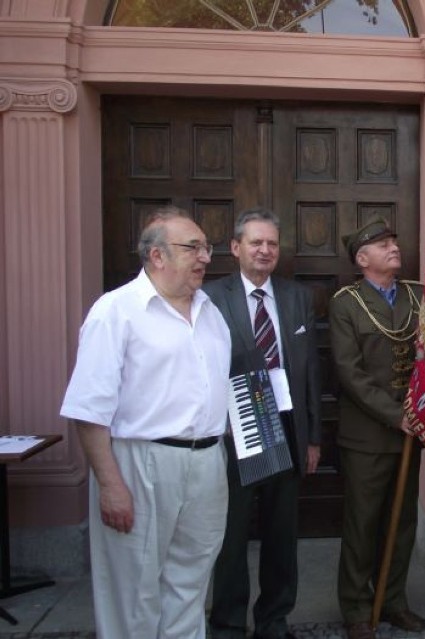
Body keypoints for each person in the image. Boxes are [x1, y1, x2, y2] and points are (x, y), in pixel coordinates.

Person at [59, 206, 231, 638]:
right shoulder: (115, 311)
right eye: (193, 247)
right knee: (132, 591)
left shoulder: (212, 313)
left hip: (207, 461)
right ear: (157, 256)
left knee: (191, 584)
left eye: (206, 247)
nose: (205, 257)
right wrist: (111, 484)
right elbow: (88, 409)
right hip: (141, 462)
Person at [206, 207, 323, 639]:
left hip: (286, 429)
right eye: (256, 242)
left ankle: (274, 620)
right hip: (236, 433)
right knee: (231, 537)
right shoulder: (211, 297)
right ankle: (228, 623)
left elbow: (310, 370)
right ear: (236, 248)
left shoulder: (297, 297)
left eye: (272, 243)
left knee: (281, 535)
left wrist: (312, 437)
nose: (265, 250)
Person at [329, 216, 425, 639]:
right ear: (362, 258)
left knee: (401, 523)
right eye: (382, 244)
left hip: (412, 431)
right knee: (362, 525)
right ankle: (355, 607)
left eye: (393, 241)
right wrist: (395, 415)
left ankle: (393, 600)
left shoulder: (419, 297)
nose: (393, 248)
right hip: (368, 436)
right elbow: (350, 374)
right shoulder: (345, 303)